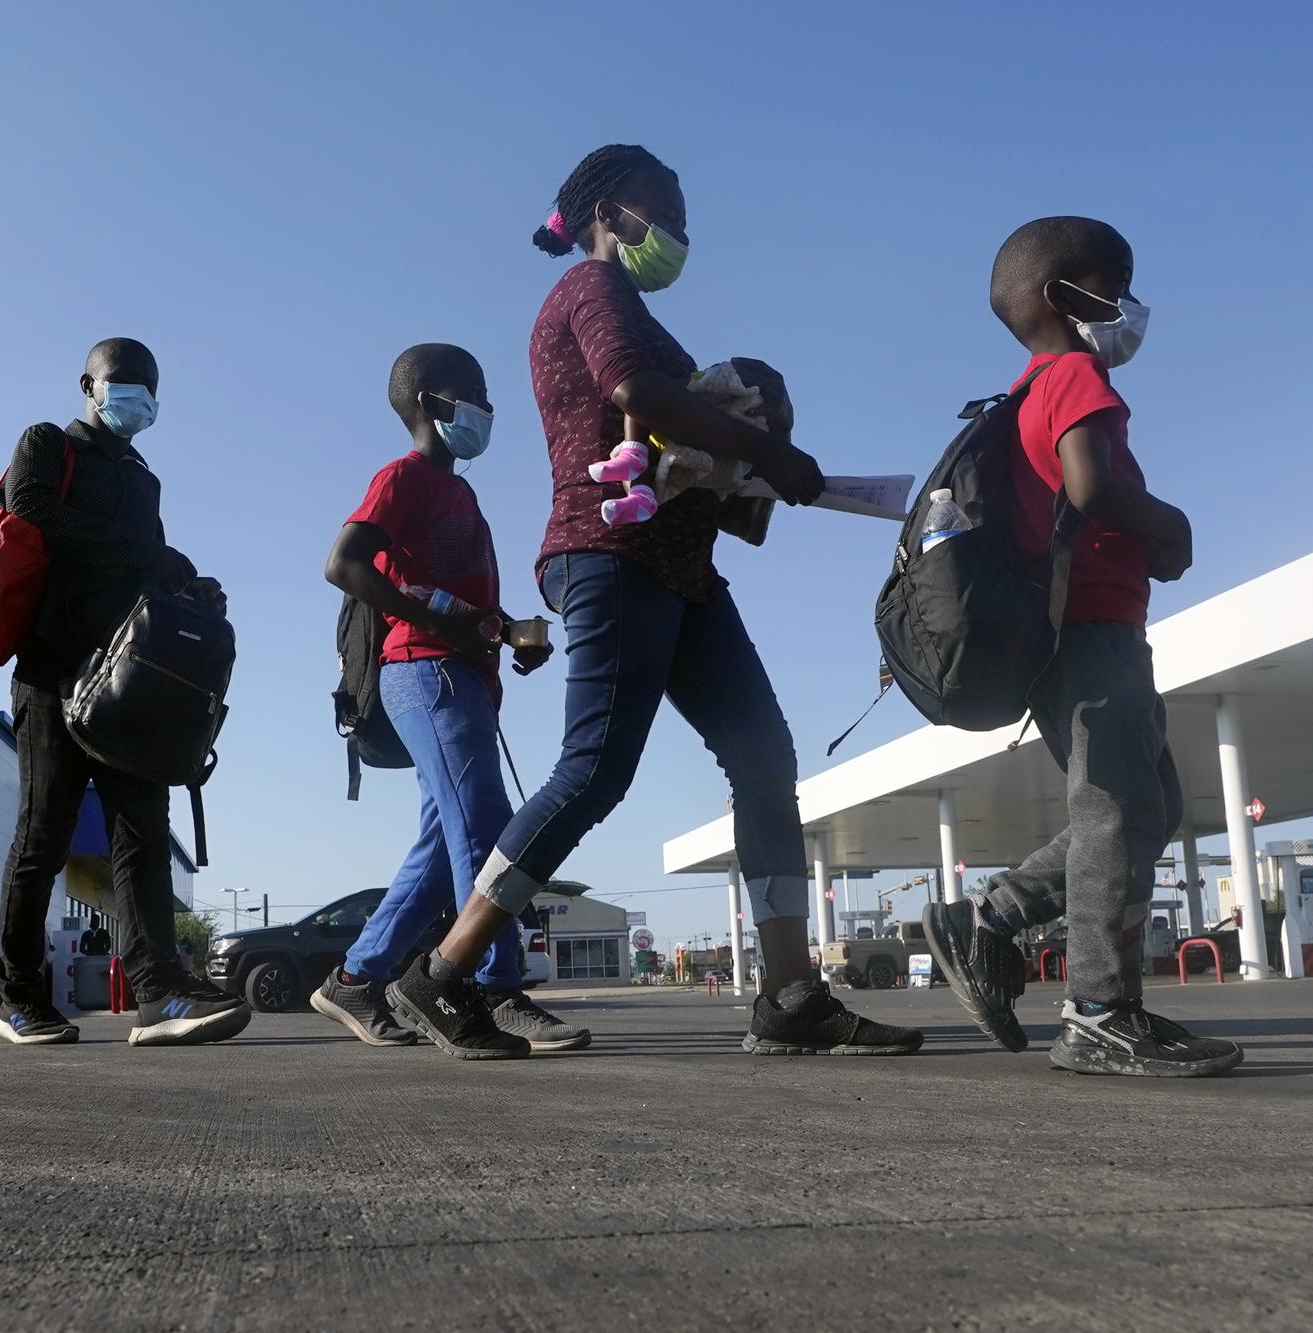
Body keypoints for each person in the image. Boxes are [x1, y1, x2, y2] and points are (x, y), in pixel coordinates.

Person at [384, 145, 921, 1060]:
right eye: (661, 208)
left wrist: (757, 446)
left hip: (679, 566)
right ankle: (435, 977)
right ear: (607, 210)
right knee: (594, 769)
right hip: (611, 553)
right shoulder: (592, 291)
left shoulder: (627, 306)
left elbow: (678, 432)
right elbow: (637, 393)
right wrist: (775, 458)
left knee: (763, 757)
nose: (677, 229)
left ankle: (791, 992)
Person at [921, 217, 1242, 1078]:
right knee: (1116, 811)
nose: (1129, 304)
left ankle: (994, 911)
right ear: (1066, 295)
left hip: (1074, 630)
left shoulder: (1031, 387)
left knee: (1144, 807)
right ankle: (1099, 1009)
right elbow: (1092, 485)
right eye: (1117, 282)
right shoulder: (1073, 374)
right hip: (1093, 628)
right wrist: (1170, 527)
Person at [314, 343, 584, 1056]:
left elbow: (458, 602)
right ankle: (491, 991)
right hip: (424, 671)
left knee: (441, 847)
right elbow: (343, 563)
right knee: (488, 829)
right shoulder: (404, 477)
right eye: (475, 393)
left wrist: (504, 634)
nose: (488, 408)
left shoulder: (461, 493)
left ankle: (354, 975)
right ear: (431, 402)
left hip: (461, 674)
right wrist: (442, 623)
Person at [0, 337, 250, 1048]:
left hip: (125, 684)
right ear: (89, 384)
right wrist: (149, 555)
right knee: (43, 835)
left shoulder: (144, 478)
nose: (135, 396)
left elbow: (144, 570)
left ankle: (160, 994)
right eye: (122, 383)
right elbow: (34, 510)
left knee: (140, 834)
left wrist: (186, 583)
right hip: (50, 672)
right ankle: (16, 996)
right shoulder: (48, 443)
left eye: (148, 389)